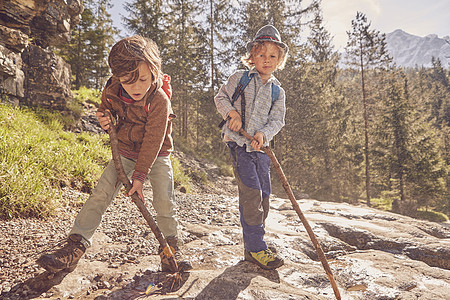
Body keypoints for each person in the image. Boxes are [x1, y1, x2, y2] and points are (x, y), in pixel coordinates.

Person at [37, 35, 190, 274]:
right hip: (125, 151)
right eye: (128, 82)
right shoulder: (112, 90)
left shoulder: (159, 100)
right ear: (118, 78)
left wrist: (140, 176)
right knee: (101, 193)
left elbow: (153, 140)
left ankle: (170, 248)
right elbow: (106, 109)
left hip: (157, 153)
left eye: (142, 79)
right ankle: (75, 245)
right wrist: (103, 117)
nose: (136, 87)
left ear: (154, 71)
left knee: (164, 201)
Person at [214, 25, 288, 270]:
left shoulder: (278, 91)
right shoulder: (240, 79)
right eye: (261, 54)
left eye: (272, 56)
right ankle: (255, 248)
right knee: (251, 194)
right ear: (252, 56)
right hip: (239, 145)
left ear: (280, 60)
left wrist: (263, 134)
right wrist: (232, 113)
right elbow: (220, 97)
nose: (266, 60)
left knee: (265, 197)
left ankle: (255, 243)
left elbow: (277, 120)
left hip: (262, 150)